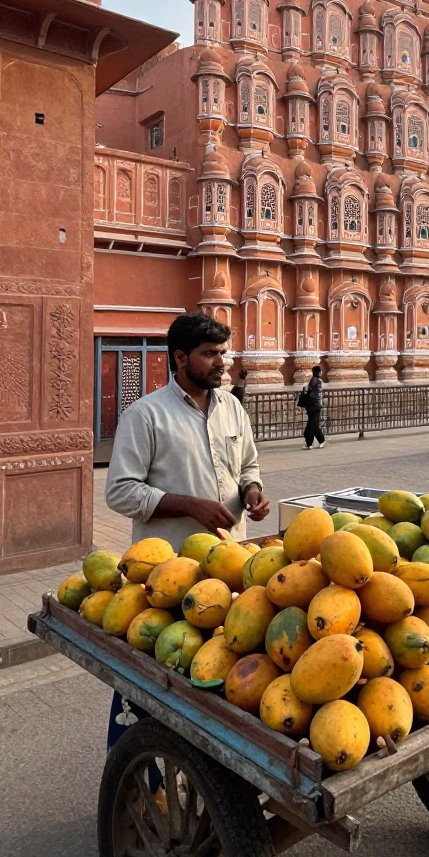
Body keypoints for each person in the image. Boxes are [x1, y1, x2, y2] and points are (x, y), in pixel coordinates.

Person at [104, 313, 271, 757]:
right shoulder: (145, 415)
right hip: (166, 578)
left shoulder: (232, 406)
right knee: (153, 678)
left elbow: (248, 466)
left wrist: (252, 490)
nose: (223, 363)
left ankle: (206, 767)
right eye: (211, 354)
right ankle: (134, 768)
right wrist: (187, 504)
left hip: (229, 568)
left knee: (215, 673)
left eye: (224, 353)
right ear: (180, 358)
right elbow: (120, 492)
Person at [303, 365, 326, 450]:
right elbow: (317, 394)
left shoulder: (312, 380)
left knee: (312, 424)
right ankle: (318, 441)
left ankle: (311, 442)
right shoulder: (318, 381)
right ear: (319, 372)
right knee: (313, 425)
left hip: (312, 405)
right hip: (315, 405)